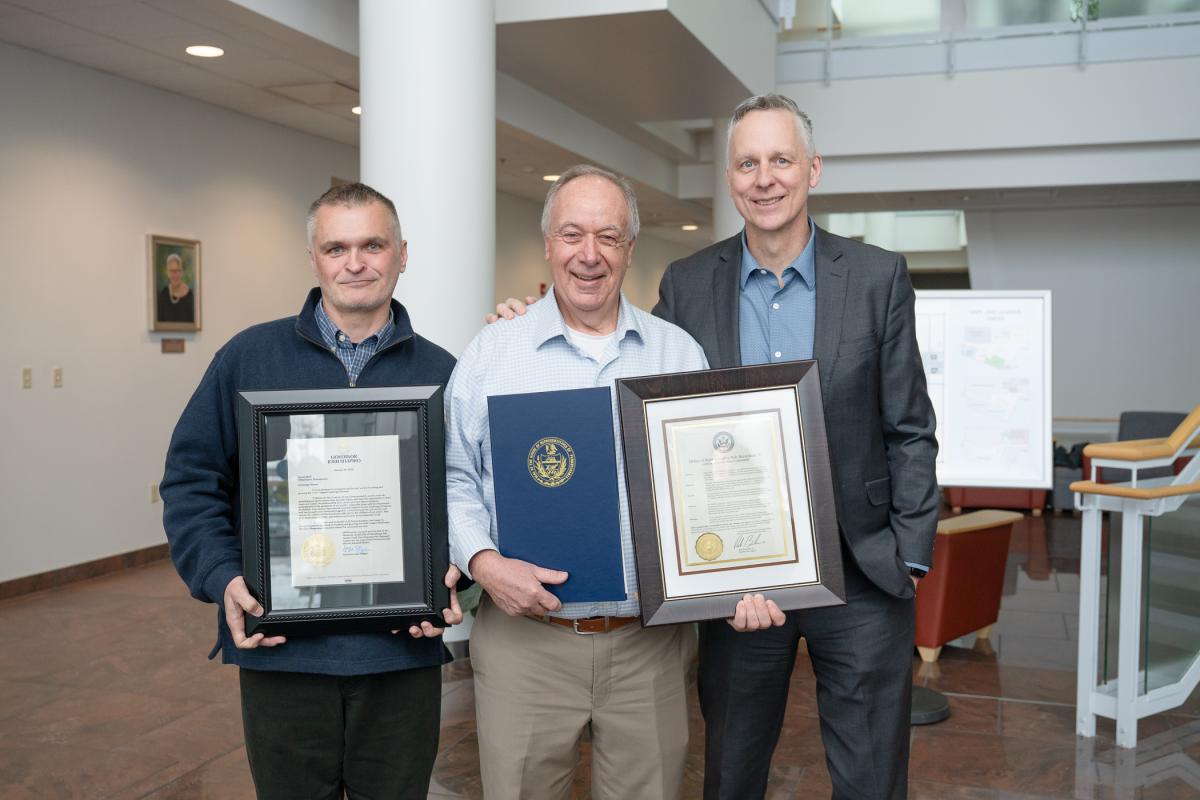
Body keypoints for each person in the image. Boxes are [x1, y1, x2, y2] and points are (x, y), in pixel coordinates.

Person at [492, 95, 939, 799]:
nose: (764, 179)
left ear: (812, 169)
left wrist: (911, 555)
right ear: (730, 180)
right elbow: (643, 390)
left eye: (780, 160)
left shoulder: (878, 277)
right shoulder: (689, 284)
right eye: (747, 163)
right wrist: (531, 319)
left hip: (861, 573)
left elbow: (910, 427)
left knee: (872, 774)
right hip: (732, 578)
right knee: (730, 768)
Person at [160, 182, 464, 799]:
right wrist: (223, 577)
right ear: (314, 259)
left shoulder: (443, 372)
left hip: (400, 655)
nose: (356, 262)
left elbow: (471, 495)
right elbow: (191, 481)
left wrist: (458, 577)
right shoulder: (247, 358)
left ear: (403, 254)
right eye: (337, 247)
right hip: (282, 650)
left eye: (373, 245)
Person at [446, 165, 709, 799]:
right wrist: (482, 562)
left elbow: (705, 486)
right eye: (571, 234)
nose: (588, 255)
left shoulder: (679, 355)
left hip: (649, 644)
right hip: (524, 647)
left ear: (629, 248)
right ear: (547, 244)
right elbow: (455, 474)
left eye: (607, 236)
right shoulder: (492, 352)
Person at [156, 252, 195, 323]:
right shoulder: (163, 294)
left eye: (178, 270)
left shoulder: (190, 296)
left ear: (182, 272)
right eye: (172, 271)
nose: (175, 274)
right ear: (168, 273)